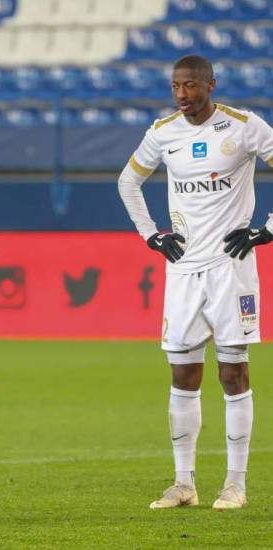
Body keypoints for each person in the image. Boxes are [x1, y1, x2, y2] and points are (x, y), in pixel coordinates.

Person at [118, 55, 273, 510]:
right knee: (182, 375)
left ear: (210, 85)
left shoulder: (244, 126)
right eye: (175, 86)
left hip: (231, 268)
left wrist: (267, 229)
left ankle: (235, 485)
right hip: (183, 270)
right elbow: (128, 183)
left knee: (233, 372)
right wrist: (152, 234)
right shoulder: (163, 133)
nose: (182, 95)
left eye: (190, 86)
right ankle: (183, 484)